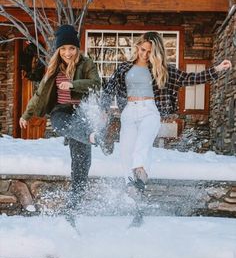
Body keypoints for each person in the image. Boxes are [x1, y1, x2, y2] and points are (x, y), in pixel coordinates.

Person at [101, 31, 232, 196]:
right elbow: (108, 90)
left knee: (143, 144)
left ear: (156, 53)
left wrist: (217, 69)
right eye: (142, 50)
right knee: (126, 151)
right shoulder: (124, 68)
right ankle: (132, 187)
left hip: (150, 111)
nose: (145, 54)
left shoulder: (164, 70)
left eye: (150, 52)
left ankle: (140, 174)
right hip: (129, 111)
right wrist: (104, 109)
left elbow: (191, 78)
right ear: (138, 47)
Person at [19, 24, 112, 207]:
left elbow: (96, 84)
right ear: (58, 50)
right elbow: (39, 95)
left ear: (77, 48)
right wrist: (26, 115)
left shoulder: (86, 64)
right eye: (63, 49)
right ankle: (94, 137)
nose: (67, 53)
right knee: (61, 124)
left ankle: (74, 206)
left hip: (80, 113)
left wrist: (72, 85)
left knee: (81, 164)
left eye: (71, 48)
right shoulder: (54, 68)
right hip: (61, 111)